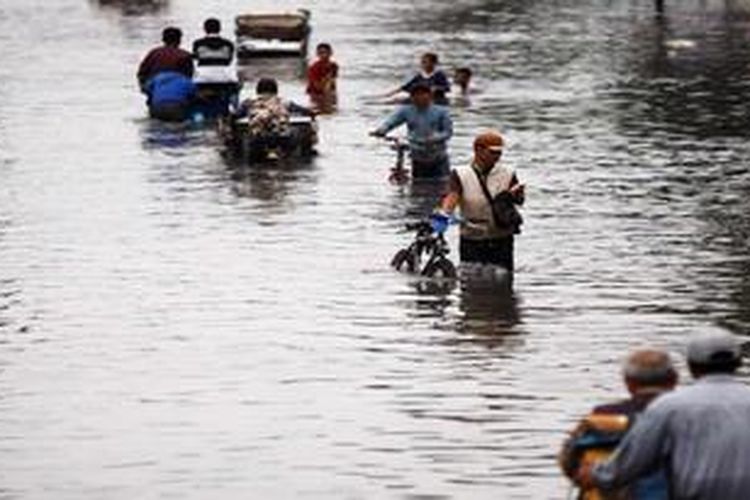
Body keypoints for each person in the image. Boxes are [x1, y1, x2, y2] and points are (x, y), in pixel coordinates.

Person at [578, 332, 750, 500]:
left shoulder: (669, 406)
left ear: (690, 366)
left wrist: (594, 474)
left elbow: (632, 462)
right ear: (738, 362)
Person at [560, 349, 677, 500]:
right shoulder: (688, 418)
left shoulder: (603, 416)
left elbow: (569, 462)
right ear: (673, 380)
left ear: (628, 382)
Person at [435, 131, 524, 271]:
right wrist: (444, 214)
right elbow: (453, 196)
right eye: (493, 152)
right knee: (471, 281)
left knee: (504, 279)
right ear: (478, 150)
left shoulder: (508, 173)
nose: (497, 156)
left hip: (501, 238)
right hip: (471, 238)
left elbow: (519, 201)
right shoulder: (460, 173)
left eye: (499, 153)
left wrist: (516, 195)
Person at [371, 83, 453, 178]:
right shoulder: (406, 110)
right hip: (417, 154)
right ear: (411, 97)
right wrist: (381, 131)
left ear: (430, 96)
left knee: (442, 184)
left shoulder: (441, 112)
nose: (419, 98)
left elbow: (448, 132)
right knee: (417, 185)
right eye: (416, 95)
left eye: (422, 94)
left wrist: (434, 137)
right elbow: (391, 122)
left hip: (438, 155)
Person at [386, 52, 451, 104]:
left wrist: (436, 88)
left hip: (436, 100)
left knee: (399, 101)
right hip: (419, 100)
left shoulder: (439, 75)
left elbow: (447, 88)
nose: (423, 64)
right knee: (393, 101)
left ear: (434, 63)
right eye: (422, 62)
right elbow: (406, 86)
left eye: (425, 62)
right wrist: (390, 94)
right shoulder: (419, 76)